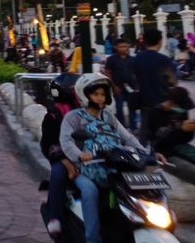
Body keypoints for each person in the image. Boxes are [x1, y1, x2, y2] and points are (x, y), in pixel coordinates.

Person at [60, 74, 161, 243]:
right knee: (90, 191)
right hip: (85, 169)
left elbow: (127, 137)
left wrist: (145, 153)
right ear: (84, 95)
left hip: (112, 166)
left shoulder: (108, 116)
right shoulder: (73, 117)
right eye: (96, 94)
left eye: (103, 94)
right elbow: (66, 140)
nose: (101, 98)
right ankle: (93, 238)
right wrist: (79, 155)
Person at [40, 73, 79, 237]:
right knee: (57, 173)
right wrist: (64, 160)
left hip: (85, 154)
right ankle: (55, 217)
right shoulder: (53, 115)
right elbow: (48, 144)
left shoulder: (84, 111)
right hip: (61, 157)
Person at [133, 29, 177, 145]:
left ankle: (142, 155)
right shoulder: (165, 60)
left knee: (144, 130)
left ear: (145, 41)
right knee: (160, 134)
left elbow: (134, 79)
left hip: (145, 101)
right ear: (160, 41)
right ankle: (159, 157)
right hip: (162, 103)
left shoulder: (138, 59)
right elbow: (173, 82)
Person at [147, 86, 195, 183]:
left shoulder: (181, 112)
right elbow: (159, 143)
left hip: (181, 148)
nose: (183, 110)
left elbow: (185, 139)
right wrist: (181, 128)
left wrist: (189, 130)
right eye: (181, 107)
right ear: (171, 103)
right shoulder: (155, 113)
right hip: (164, 154)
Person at [104, 38, 138, 130]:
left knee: (132, 108)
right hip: (118, 88)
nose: (124, 48)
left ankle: (134, 128)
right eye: (121, 47)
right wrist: (113, 86)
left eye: (126, 46)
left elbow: (136, 73)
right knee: (119, 108)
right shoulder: (111, 59)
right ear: (116, 47)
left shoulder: (133, 59)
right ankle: (121, 128)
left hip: (131, 88)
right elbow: (108, 73)